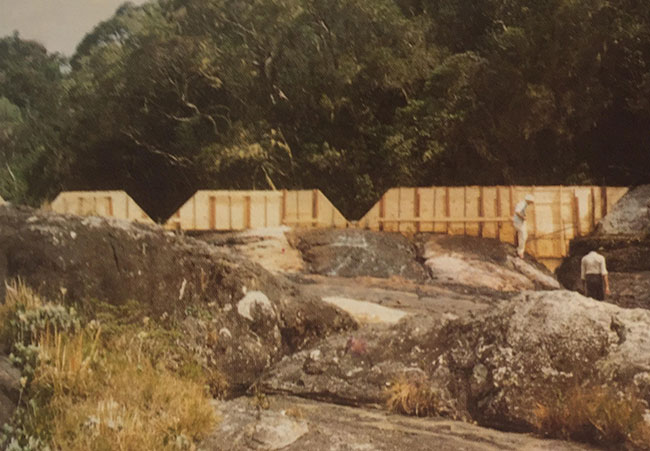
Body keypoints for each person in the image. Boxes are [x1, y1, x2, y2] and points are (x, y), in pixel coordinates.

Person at [512, 194, 534, 258]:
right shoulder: (522, 204)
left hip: (521, 222)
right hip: (518, 222)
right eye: (531, 201)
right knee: (523, 236)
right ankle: (520, 252)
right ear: (528, 200)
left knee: (523, 236)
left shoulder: (524, 204)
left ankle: (519, 250)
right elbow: (517, 212)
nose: (531, 203)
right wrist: (523, 217)